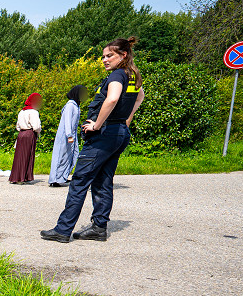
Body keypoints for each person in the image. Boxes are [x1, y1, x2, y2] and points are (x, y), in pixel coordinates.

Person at [41, 38, 145, 242]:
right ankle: (99, 227)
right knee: (103, 181)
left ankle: (63, 230)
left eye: (109, 56)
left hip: (104, 135)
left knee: (80, 180)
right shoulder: (132, 75)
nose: (104, 60)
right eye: (103, 56)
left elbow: (112, 98)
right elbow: (140, 97)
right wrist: (126, 121)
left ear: (123, 55)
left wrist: (97, 125)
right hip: (119, 133)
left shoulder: (117, 75)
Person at [49, 85, 85, 187]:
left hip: (72, 135)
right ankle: (55, 179)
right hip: (65, 135)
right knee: (61, 156)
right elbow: (67, 121)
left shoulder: (76, 106)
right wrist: (69, 135)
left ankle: (62, 177)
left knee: (72, 156)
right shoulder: (70, 106)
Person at [10, 93, 41, 183]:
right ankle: (23, 177)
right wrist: (38, 131)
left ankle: (16, 177)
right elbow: (36, 126)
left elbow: (17, 126)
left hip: (21, 134)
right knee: (27, 156)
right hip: (29, 134)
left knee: (19, 156)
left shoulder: (22, 111)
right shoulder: (34, 112)